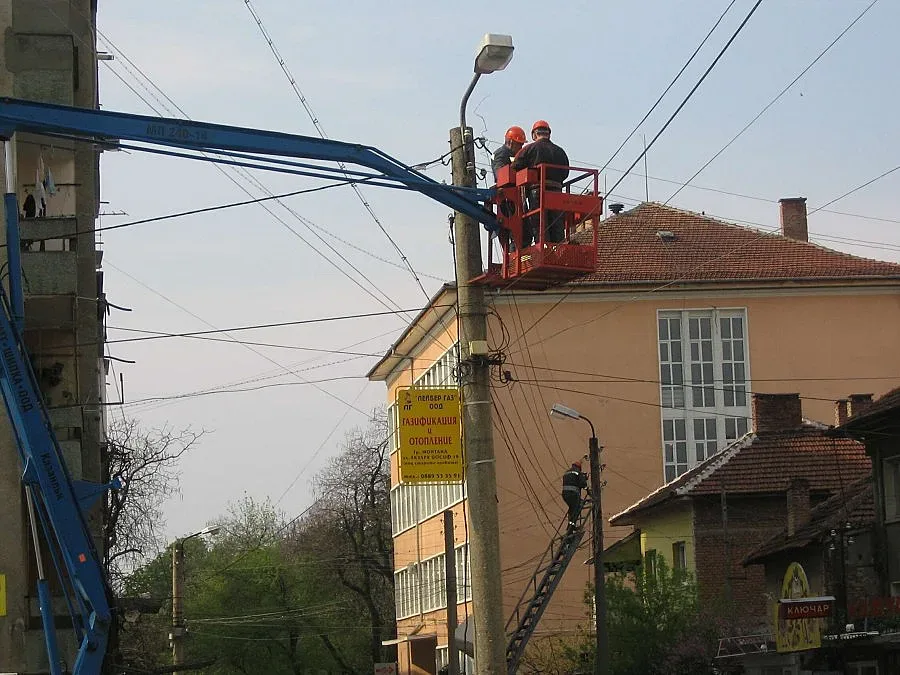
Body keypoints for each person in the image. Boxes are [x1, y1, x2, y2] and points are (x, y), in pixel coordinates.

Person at [511, 120, 570, 245]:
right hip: (557, 192)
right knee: (557, 224)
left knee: (539, 223)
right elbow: (565, 173)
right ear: (549, 134)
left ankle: (542, 248)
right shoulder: (560, 152)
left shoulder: (529, 149)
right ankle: (558, 250)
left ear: (534, 135)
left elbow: (515, 167)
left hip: (537, 191)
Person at [562, 459, 588, 532]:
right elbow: (583, 484)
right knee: (576, 509)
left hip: (565, 495)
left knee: (572, 509)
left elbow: (572, 481)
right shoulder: (578, 472)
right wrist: (585, 481)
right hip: (573, 494)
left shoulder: (566, 472)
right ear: (579, 467)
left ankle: (571, 526)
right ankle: (570, 528)